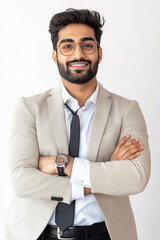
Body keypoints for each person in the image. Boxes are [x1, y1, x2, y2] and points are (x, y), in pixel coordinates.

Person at [5, 8, 151, 240]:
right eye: (67, 46)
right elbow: (20, 181)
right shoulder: (29, 108)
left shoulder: (127, 109)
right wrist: (103, 174)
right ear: (55, 55)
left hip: (105, 234)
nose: (78, 54)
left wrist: (61, 164)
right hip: (38, 233)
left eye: (87, 45)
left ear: (99, 53)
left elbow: (137, 177)